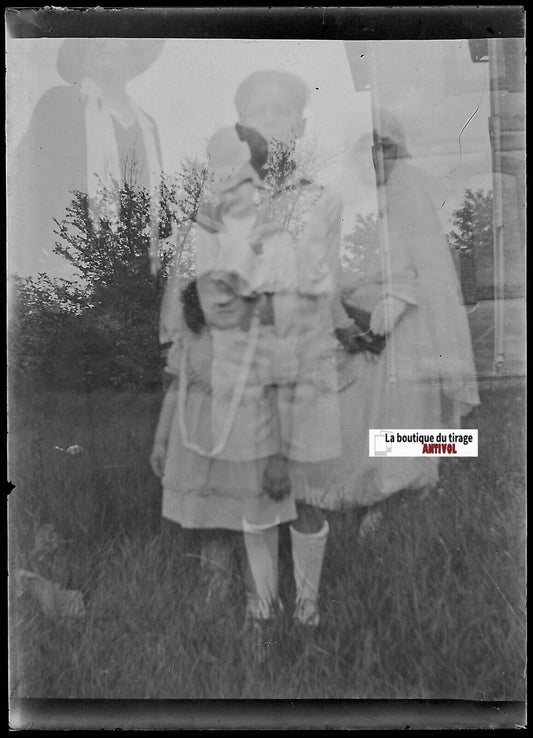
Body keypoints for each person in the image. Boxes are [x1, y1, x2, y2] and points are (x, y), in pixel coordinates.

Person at [231, 70, 367, 628]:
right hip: (253, 363)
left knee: (307, 491)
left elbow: (327, 281)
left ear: (300, 124)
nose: (273, 122)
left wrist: (345, 335)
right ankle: (261, 609)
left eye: (283, 112)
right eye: (258, 112)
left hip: (310, 363)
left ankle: (308, 607)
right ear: (243, 128)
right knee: (261, 489)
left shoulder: (323, 201)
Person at [317, 111, 480, 524]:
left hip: (403, 317)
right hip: (355, 321)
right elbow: (328, 264)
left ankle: (400, 492)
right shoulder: (345, 197)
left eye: (386, 148)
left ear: (398, 151)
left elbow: (429, 264)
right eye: (368, 148)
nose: (377, 157)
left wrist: (397, 300)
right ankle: (365, 491)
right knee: (360, 411)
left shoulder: (410, 191)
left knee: (402, 410)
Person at [150, 272, 298, 632]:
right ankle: (213, 606)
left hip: (249, 448)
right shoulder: (190, 341)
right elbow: (175, 393)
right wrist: (161, 441)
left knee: (254, 530)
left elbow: (282, 402)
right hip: (198, 450)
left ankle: (261, 612)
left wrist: (279, 458)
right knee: (211, 526)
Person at [10, 38, 165, 280]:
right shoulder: (60, 104)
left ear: (133, 52)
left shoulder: (147, 126)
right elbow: (23, 191)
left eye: (113, 37)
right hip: (66, 268)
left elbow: (152, 207)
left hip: (129, 274)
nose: (102, 44)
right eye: (93, 40)